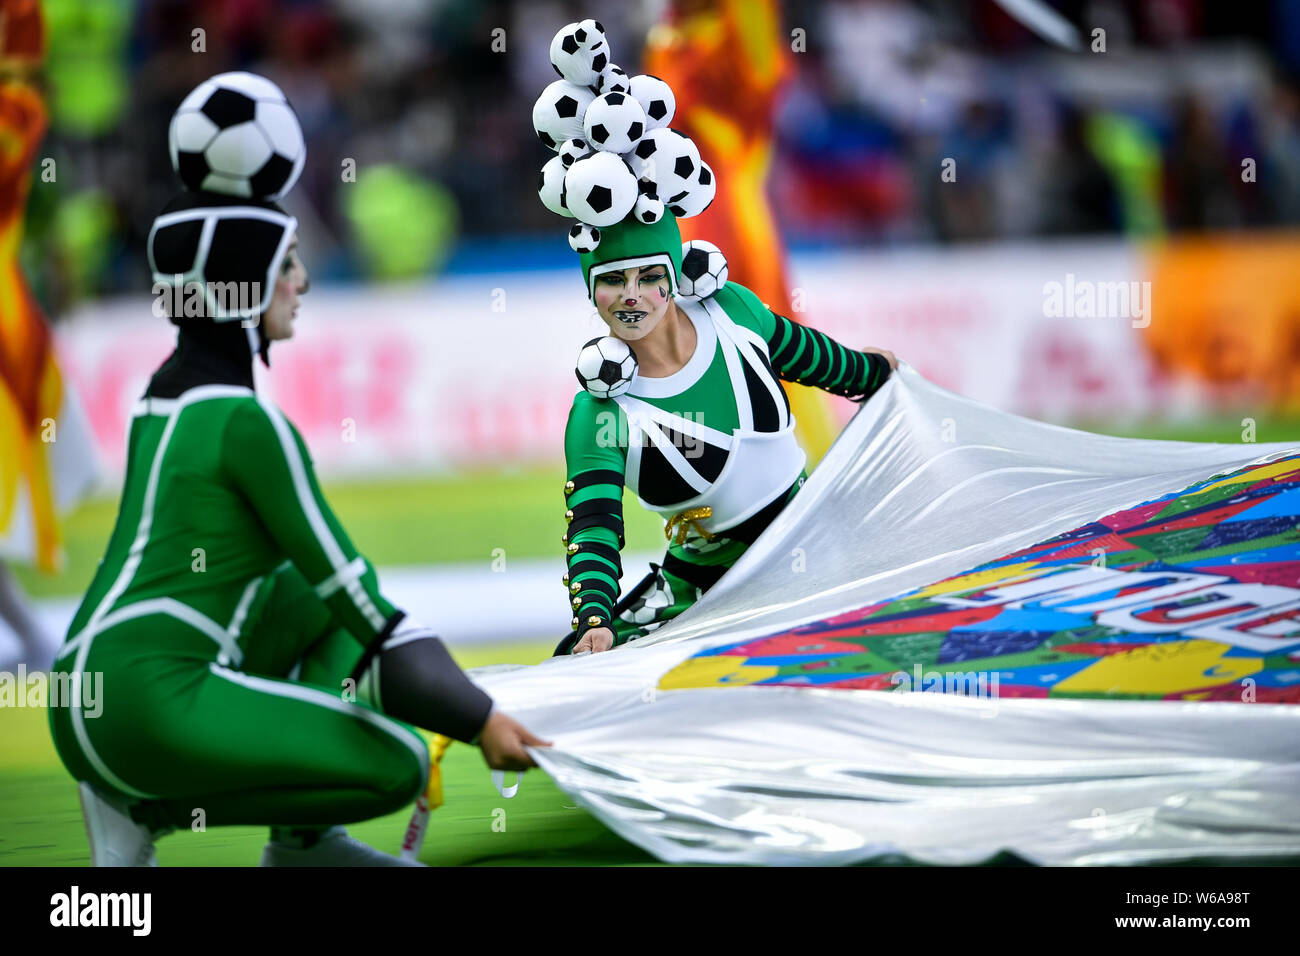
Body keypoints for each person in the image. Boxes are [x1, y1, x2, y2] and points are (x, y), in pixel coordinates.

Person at [47, 189, 548, 867]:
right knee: (396, 762)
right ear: (241, 289)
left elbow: (331, 601)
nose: (302, 282)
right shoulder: (248, 425)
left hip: (91, 682)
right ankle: (146, 809)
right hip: (145, 700)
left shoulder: (161, 404)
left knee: (312, 600)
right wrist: (477, 718)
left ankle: (304, 847)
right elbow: (368, 607)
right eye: (285, 266)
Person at [557, 211, 897, 655]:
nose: (632, 296)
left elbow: (813, 358)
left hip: (813, 547)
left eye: (650, 276)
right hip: (703, 589)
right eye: (613, 280)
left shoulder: (732, 310)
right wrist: (595, 619)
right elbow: (594, 525)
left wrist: (874, 371)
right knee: (571, 669)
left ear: (676, 274)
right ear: (591, 289)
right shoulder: (597, 411)